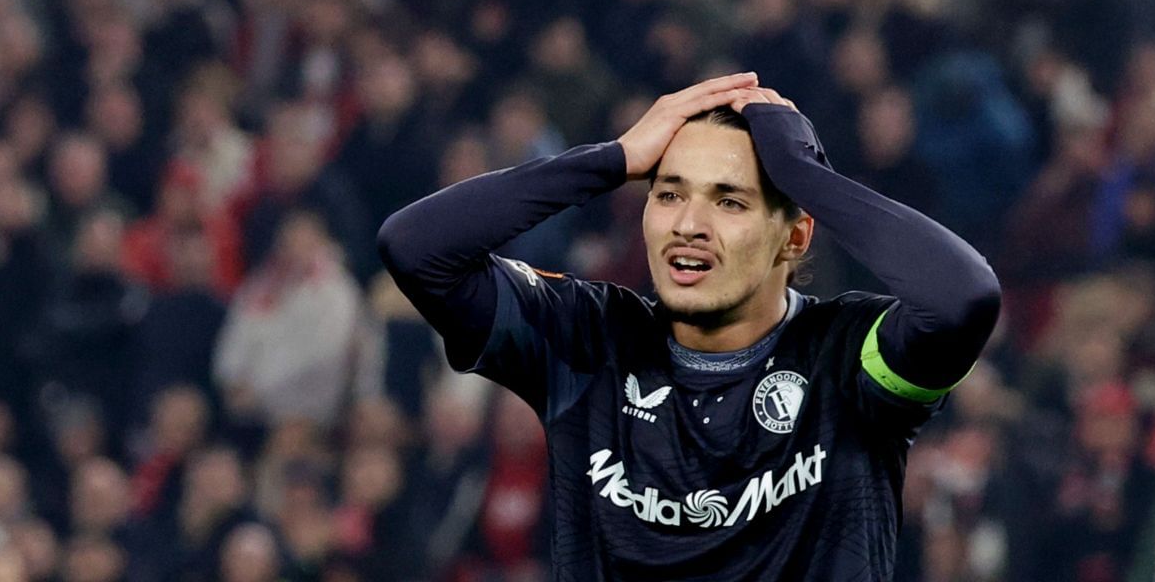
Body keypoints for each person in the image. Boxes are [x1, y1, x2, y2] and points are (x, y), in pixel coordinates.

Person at [376, 72, 1001, 580]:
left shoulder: (847, 356)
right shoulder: (588, 341)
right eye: (669, 193)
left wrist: (807, 176)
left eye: (730, 201)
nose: (688, 224)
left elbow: (962, 298)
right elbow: (416, 248)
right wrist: (614, 158)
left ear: (795, 237)